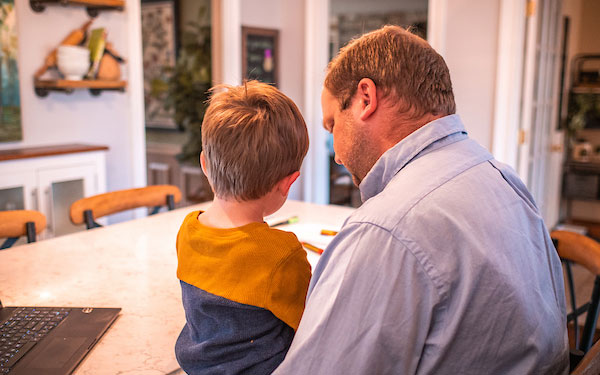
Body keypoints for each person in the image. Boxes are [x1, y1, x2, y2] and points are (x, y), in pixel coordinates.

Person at [274, 25, 568, 374]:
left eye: (332, 124)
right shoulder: (502, 177)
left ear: (365, 99)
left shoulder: (387, 231)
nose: (336, 154)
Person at [175, 81, 311, 374]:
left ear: (204, 165)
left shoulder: (188, 231)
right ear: (288, 183)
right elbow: (312, 326)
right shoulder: (281, 254)